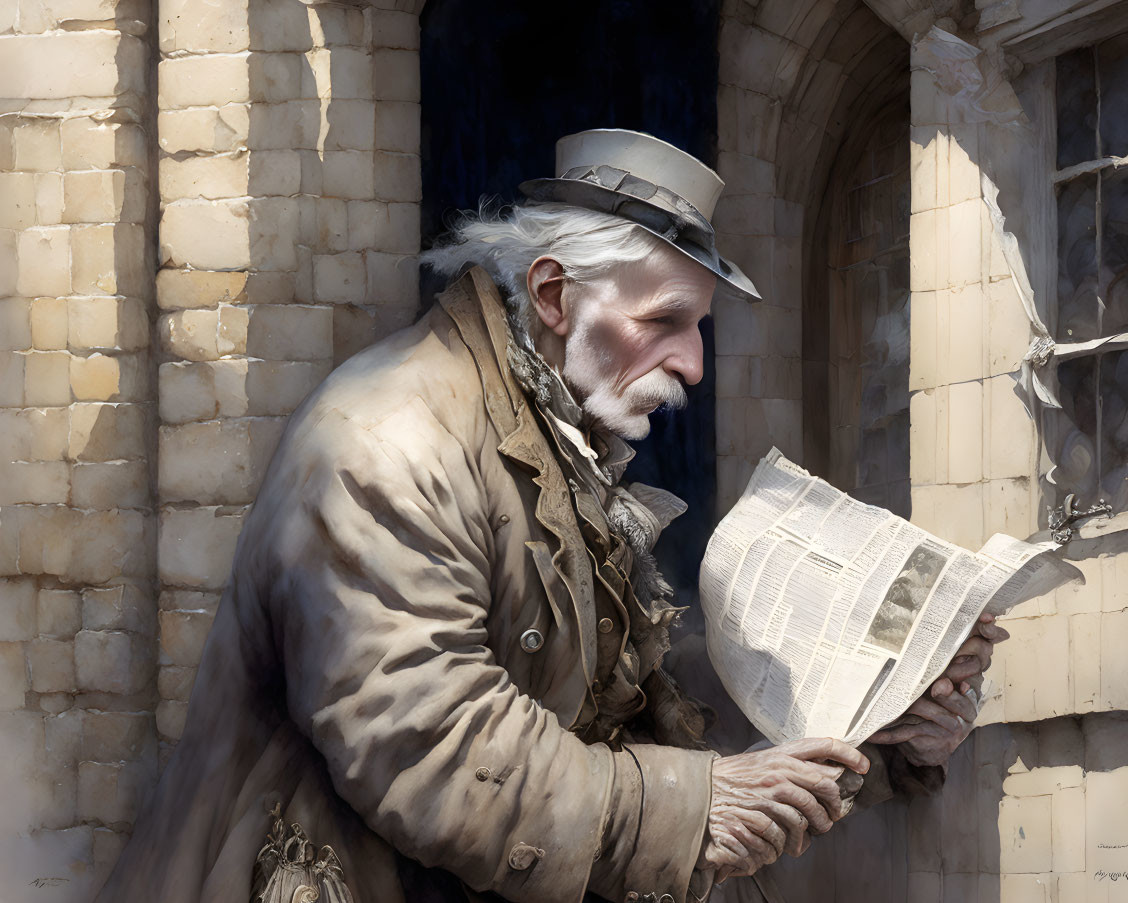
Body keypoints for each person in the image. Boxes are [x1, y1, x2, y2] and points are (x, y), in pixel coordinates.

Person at [93, 130, 1007, 903]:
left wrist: (880, 731)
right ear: (553, 297)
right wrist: (697, 806)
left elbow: (629, 717)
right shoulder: (385, 437)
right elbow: (432, 744)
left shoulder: (553, 432)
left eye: (698, 330)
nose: (692, 364)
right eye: (665, 321)